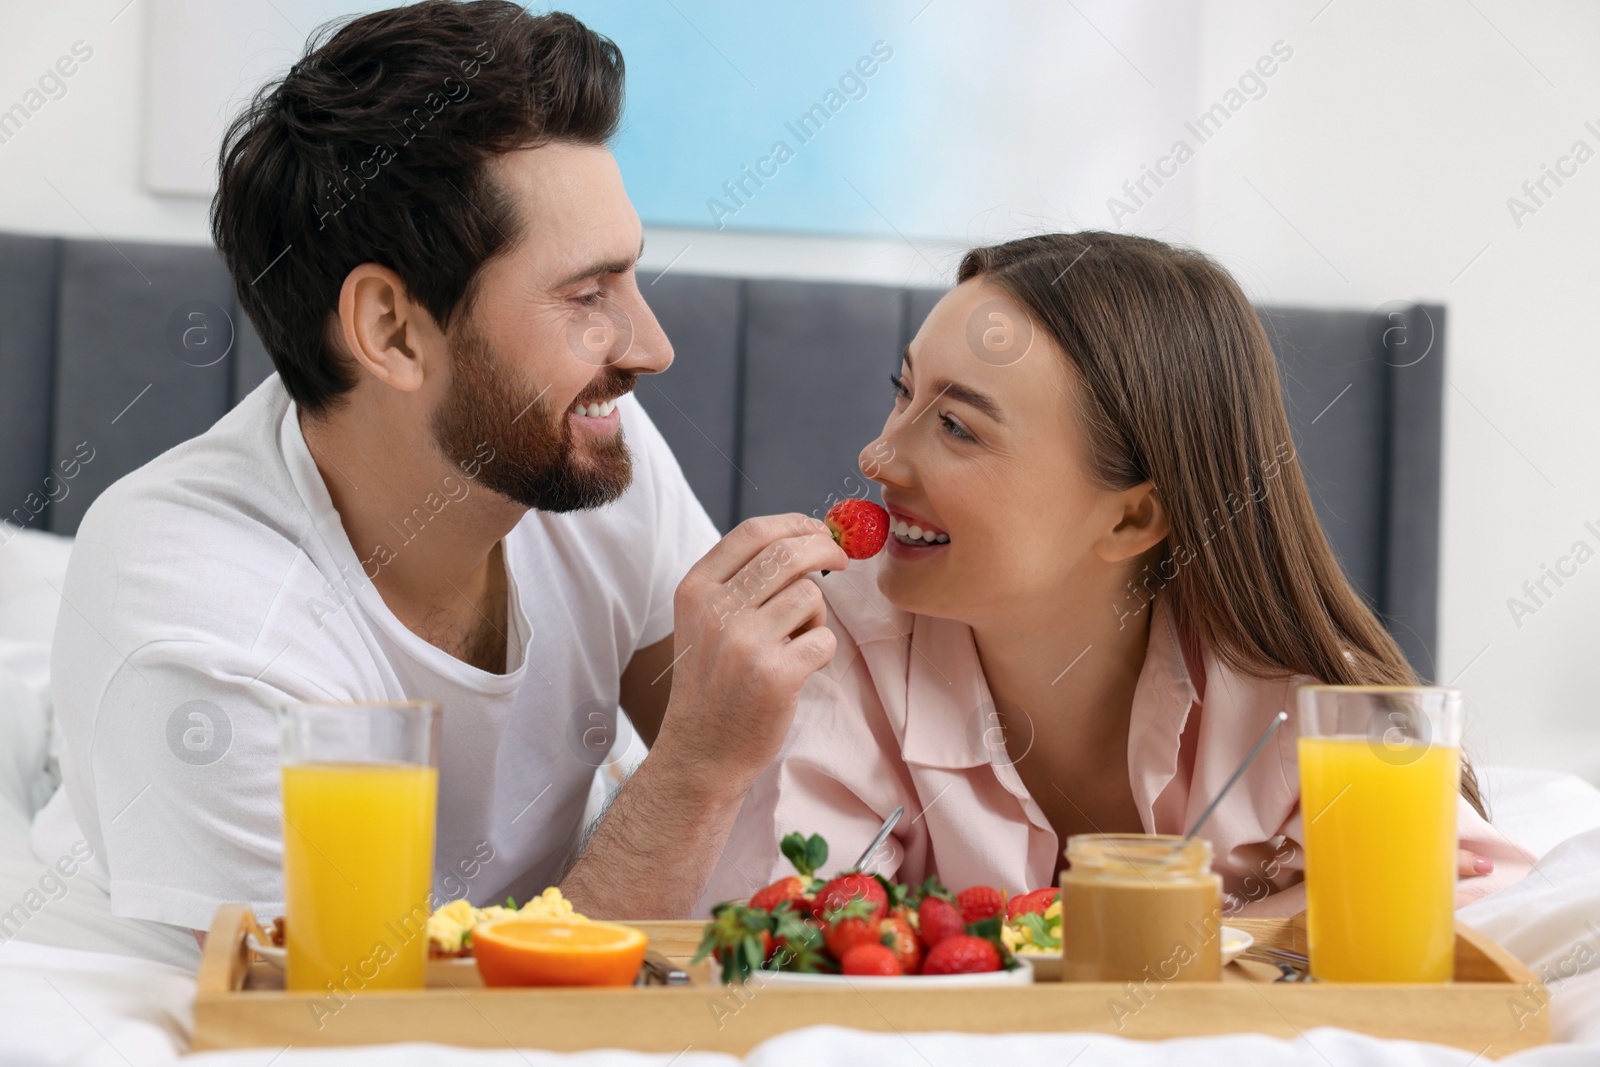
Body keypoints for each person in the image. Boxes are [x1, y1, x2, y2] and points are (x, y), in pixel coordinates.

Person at [35, 1, 847, 961]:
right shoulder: (201, 627)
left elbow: (777, 795)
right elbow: (369, 1040)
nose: (652, 348)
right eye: (588, 294)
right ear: (390, 329)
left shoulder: (577, 442)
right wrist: (695, 768)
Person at [703, 232, 1535, 916]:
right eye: (903, 392)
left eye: (955, 426)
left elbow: (1465, 897)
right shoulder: (834, 645)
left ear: (1133, 516)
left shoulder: (1298, 705)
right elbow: (785, 928)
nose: (877, 455)